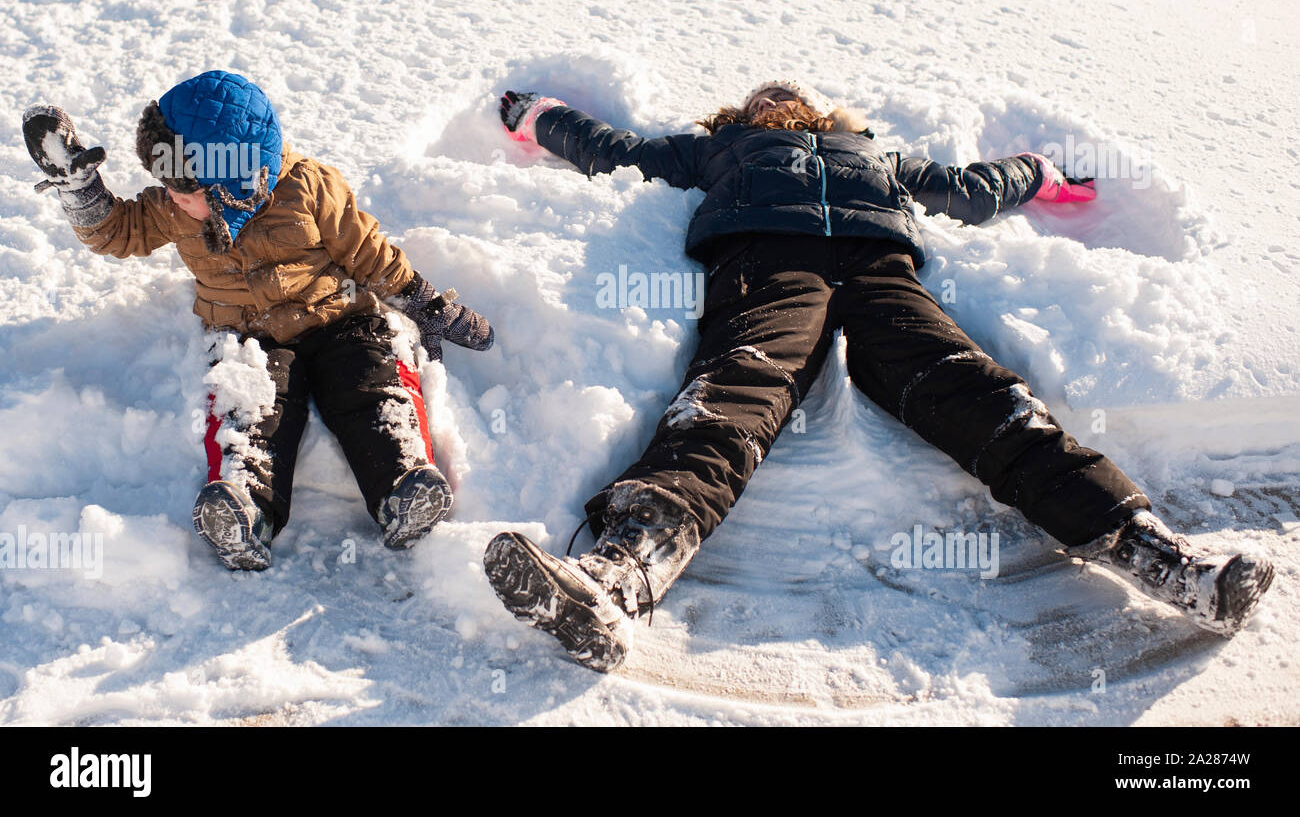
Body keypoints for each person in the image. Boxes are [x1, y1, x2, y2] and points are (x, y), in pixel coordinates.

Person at [483, 80, 1274, 672]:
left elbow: (969, 191)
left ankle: (1164, 560)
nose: (780, 94)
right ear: (743, 115)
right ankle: (618, 576)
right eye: (765, 93)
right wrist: (537, 116)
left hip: (881, 270)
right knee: (732, 394)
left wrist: (1037, 171)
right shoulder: (718, 150)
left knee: (986, 399)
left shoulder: (877, 156)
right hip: (769, 261)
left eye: (794, 91)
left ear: (827, 114)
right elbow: (613, 148)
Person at [21, 70, 494, 570]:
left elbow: (366, 253)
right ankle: (245, 509)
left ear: (232, 181)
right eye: (168, 183)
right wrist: (80, 188)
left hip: (339, 319)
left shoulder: (308, 187)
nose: (171, 195)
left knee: (370, 387)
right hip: (251, 340)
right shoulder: (176, 208)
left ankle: (403, 483)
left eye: (184, 187)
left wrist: (422, 301)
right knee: (251, 411)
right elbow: (118, 232)